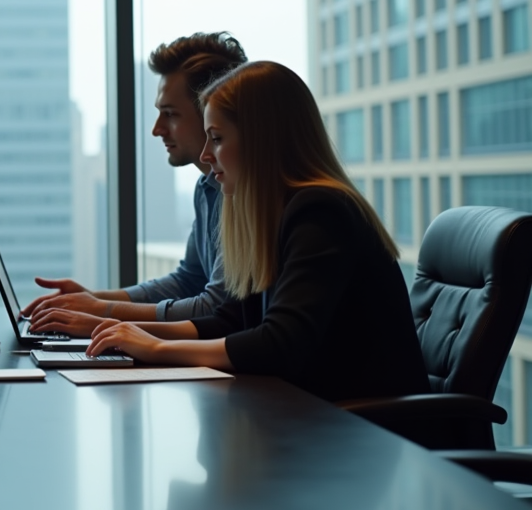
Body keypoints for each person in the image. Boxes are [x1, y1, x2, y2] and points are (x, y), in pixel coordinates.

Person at [85, 61, 430, 403]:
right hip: (317, 416)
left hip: (372, 433)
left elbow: (279, 343)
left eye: (217, 139)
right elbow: (230, 320)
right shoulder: (271, 213)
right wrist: (118, 331)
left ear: (261, 140)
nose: (207, 155)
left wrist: (157, 347)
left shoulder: (321, 211)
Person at [25, 32, 247, 337]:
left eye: (170, 114)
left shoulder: (242, 193)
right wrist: (94, 298)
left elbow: (216, 308)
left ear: (211, 113)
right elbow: (188, 280)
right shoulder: (206, 188)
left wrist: (105, 313)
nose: (157, 129)